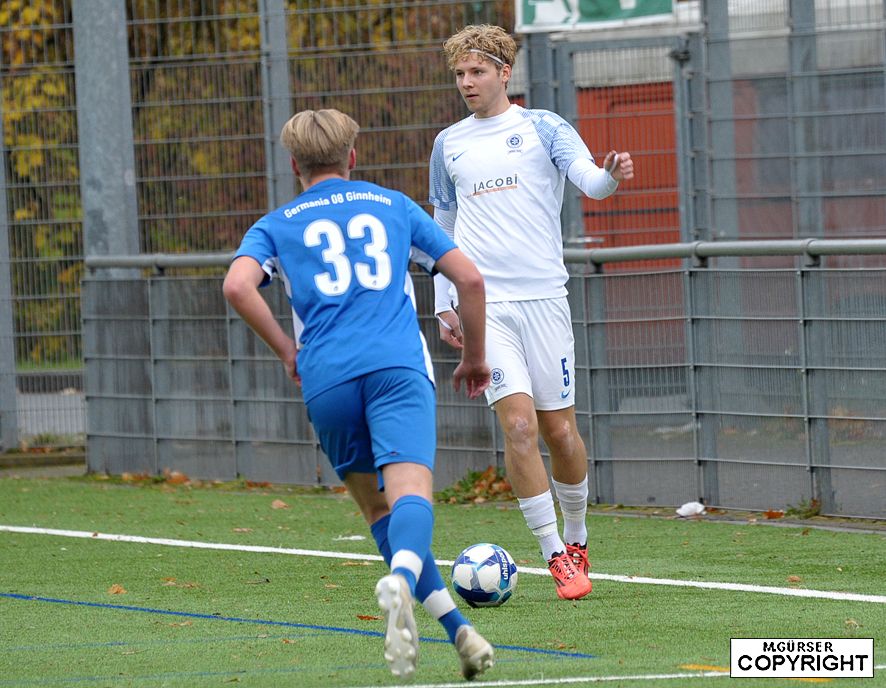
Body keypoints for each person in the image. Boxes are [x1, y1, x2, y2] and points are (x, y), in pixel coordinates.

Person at [223, 108, 495, 680]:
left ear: (294, 165)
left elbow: (237, 286)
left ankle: (459, 632)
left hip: (327, 379)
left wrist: (287, 350)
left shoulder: (275, 224)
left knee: (379, 510)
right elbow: (469, 279)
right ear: (352, 156)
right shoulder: (393, 205)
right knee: (411, 494)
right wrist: (474, 356)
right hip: (395, 366)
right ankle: (401, 579)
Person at [429, 25, 635, 601]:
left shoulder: (544, 127)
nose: (467, 82)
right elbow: (443, 223)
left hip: (545, 301)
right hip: (486, 307)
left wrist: (611, 177)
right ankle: (553, 555)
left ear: (504, 72)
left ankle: (577, 537)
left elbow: (591, 182)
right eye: (460, 74)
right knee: (518, 426)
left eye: (477, 71)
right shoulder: (449, 143)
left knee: (560, 431)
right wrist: (444, 302)